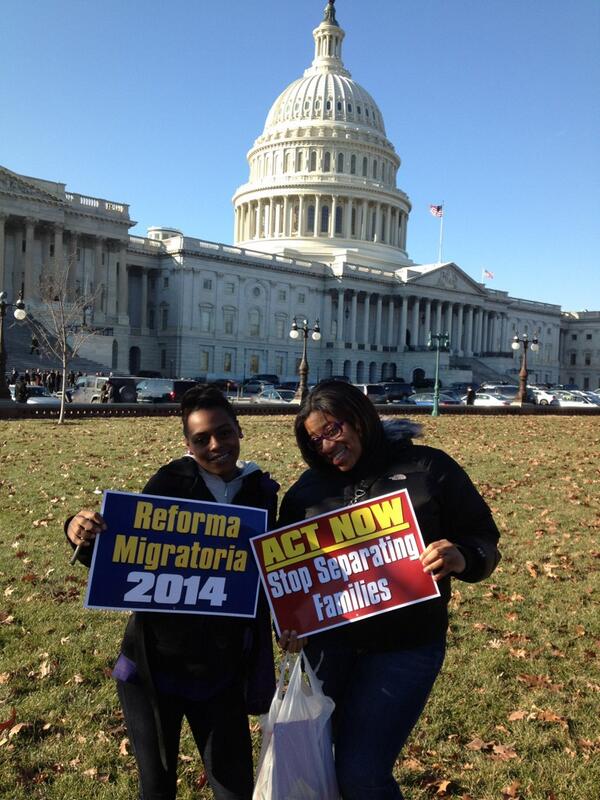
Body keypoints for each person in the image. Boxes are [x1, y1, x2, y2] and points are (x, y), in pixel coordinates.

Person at [278, 380, 500, 800]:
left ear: (359, 418)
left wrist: (462, 557)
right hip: (329, 646)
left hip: (406, 647)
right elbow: (287, 577)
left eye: (333, 429)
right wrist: (287, 624)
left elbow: (483, 538)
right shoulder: (306, 491)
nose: (327, 445)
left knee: (362, 773)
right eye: (315, 440)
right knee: (320, 765)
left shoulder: (428, 469)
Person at [65, 386, 278, 800]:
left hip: (221, 669)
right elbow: (127, 556)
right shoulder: (168, 482)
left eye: (224, 432)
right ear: (187, 444)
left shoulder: (262, 492)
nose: (216, 446)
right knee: (157, 786)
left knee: (234, 786)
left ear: (240, 430)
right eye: (201, 439)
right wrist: (79, 530)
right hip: (154, 666)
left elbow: (268, 571)